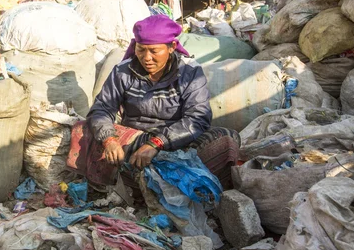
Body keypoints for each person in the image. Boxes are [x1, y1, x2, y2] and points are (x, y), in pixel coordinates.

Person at [67, 15, 241, 189]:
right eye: (141, 50)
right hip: (135, 140)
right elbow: (102, 109)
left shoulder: (189, 71)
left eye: (154, 51)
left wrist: (157, 143)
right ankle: (135, 182)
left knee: (227, 138)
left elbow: (197, 118)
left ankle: (149, 179)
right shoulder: (123, 71)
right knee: (82, 129)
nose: (146, 58)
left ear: (172, 47)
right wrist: (109, 140)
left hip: (176, 141)